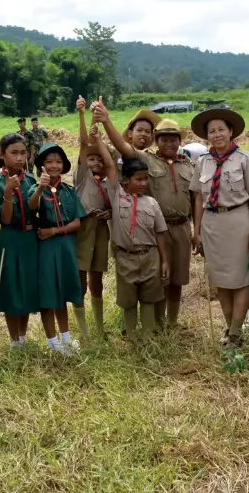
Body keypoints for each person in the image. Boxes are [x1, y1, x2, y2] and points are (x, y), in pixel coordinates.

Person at [96, 106, 194, 332]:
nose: (169, 143)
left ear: (180, 142)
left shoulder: (188, 165)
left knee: (177, 279)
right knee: (159, 278)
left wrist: (197, 230)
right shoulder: (146, 159)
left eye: (174, 139)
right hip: (155, 229)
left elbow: (196, 198)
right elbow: (122, 147)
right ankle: (155, 324)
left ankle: (171, 323)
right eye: (164, 139)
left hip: (181, 227)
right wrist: (106, 121)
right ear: (156, 141)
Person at [87, 107, 171, 340]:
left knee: (149, 297)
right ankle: (132, 337)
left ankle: (148, 336)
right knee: (128, 300)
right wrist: (98, 135)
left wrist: (164, 260)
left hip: (149, 255)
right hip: (125, 255)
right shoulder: (118, 195)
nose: (143, 183)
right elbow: (110, 165)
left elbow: (161, 233)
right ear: (125, 180)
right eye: (138, 179)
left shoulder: (151, 201)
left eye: (145, 180)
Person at [190, 108, 249, 347]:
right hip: (212, 225)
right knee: (220, 279)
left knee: (241, 278)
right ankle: (230, 326)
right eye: (212, 131)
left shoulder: (245, 159)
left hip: (238, 222)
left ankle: (235, 332)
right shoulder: (203, 162)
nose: (217, 134)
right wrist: (196, 231)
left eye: (221, 129)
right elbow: (199, 199)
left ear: (231, 131)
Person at [30, 141, 85, 354]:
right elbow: (31, 207)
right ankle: (52, 343)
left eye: (58, 161)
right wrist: (40, 188)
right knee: (48, 294)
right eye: (49, 161)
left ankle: (66, 339)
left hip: (65, 246)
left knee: (62, 293)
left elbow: (77, 223)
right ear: (42, 165)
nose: (54, 165)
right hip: (45, 249)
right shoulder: (36, 189)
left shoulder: (69, 191)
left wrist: (53, 231)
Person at [0, 133, 41, 345]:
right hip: (9, 238)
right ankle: (14, 340)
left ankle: (23, 336)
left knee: (26, 286)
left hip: (30, 239)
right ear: (2, 154)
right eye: (14, 153)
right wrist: (8, 192)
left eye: (23, 153)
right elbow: (5, 219)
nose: (19, 158)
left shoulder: (30, 180)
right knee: (11, 288)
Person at [72, 100, 114, 342]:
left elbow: (113, 204)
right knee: (80, 280)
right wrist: (82, 115)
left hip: (100, 229)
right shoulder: (82, 176)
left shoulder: (108, 183)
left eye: (99, 160)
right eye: (92, 159)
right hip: (82, 229)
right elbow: (83, 144)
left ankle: (99, 328)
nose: (96, 162)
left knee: (96, 278)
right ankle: (84, 331)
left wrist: (109, 213)